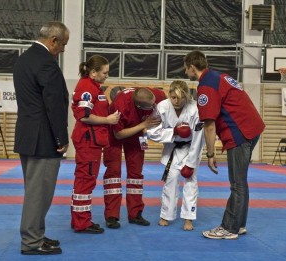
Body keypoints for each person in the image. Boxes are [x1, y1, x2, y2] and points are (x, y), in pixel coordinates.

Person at [184, 50, 265, 240]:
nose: (185, 72)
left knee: (237, 184)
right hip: (253, 128)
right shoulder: (221, 76)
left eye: (186, 68)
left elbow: (209, 125)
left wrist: (210, 154)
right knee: (241, 183)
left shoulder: (206, 86)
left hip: (239, 134)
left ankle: (229, 228)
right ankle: (239, 224)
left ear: (192, 67)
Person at [13, 21, 70, 255]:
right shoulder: (47, 64)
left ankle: (37, 234)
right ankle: (31, 242)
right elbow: (54, 105)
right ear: (53, 40)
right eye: (63, 44)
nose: (64, 49)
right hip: (43, 139)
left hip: (27, 135)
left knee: (35, 191)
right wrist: (62, 138)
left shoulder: (24, 59)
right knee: (39, 194)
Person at [102, 87, 166, 229]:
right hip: (115, 135)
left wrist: (151, 129)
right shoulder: (120, 107)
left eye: (154, 103)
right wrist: (143, 124)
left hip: (137, 135)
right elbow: (119, 134)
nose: (154, 106)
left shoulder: (158, 95)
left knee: (136, 174)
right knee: (113, 174)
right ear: (139, 106)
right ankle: (111, 216)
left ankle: (135, 213)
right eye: (151, 106)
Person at [70, 55, 120, 234]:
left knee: (85, 180)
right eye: (104, 72)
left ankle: (79, 219)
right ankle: (82, 222)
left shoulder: (93, 87)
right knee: (85, 180)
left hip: (92, 141)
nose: (107, 75)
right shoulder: (86, 87)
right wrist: (107, 119)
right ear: (93, 73)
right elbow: (83, 115)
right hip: (87, 141)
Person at [147, 80, 205, 231]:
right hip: (172, 149)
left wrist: (191, 163)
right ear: (169, 95)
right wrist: (174, 131)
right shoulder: (162, 107)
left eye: (181, 98)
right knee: (170, 182)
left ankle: (188, 219)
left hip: (191, 149)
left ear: (187, 96)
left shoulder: (195, 108)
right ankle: (165, 215)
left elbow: (199, 137)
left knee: (190, 182)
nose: (177, 101)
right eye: (173, 97)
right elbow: (152, 132)